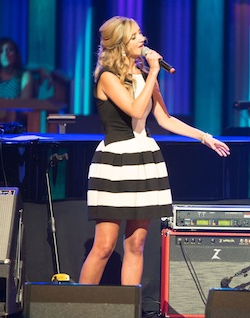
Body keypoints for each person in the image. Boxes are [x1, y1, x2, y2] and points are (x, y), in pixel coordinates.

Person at [79, 16, 230, 286]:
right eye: (136, 36)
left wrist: (204, 137)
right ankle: (77, 309)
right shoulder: (108, 77)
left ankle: (128, 311)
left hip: (144, 159)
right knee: (105, 244)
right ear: (121, 43)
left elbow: (165, 119)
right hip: (115, 161)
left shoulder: (145, 76)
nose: (143, 39)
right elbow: (136, 110)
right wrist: (152, 74)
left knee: (136, 243)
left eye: (141, 34)